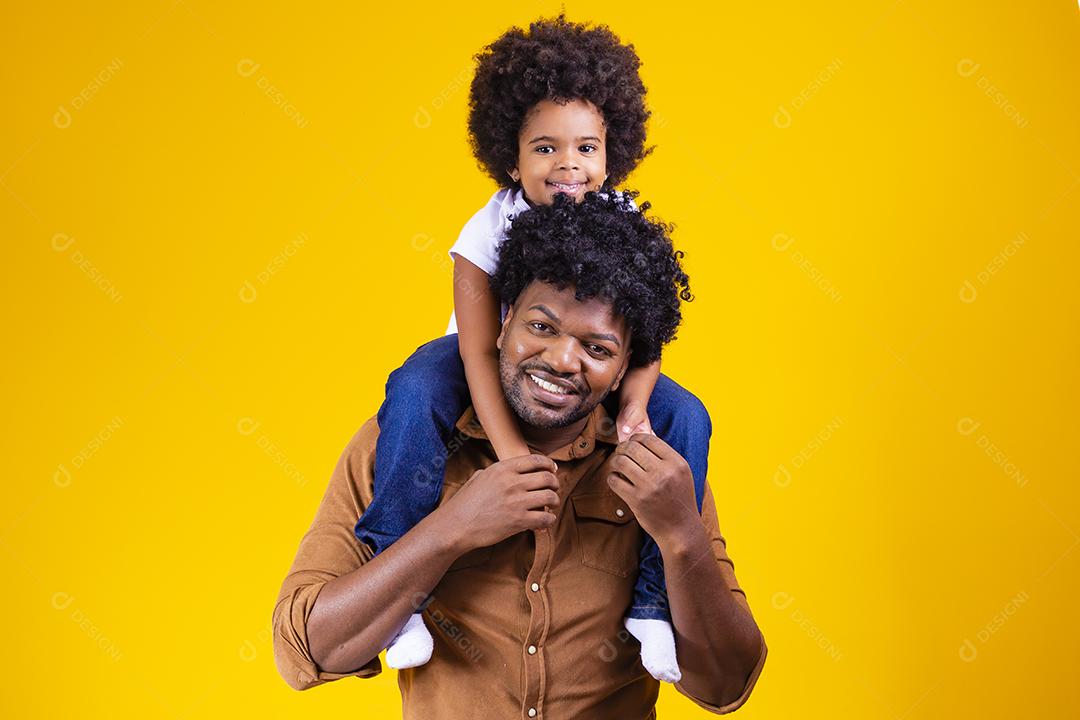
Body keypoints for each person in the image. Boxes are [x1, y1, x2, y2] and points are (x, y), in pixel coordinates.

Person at [273, 192, 767, 718]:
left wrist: (681, 536)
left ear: (626, 367)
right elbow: (306, 650)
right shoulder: (401, 443)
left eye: (597, 349)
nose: (562, 360)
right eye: (541, 327)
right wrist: (451, 528)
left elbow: (724, 685)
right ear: (503, 321)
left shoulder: (659, 471)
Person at [354, 15, 710, 682]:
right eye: (545, 148)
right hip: (485, 360)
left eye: (586, 147)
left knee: (688, 415)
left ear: (611, 155)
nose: (568, 164)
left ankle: (653, 605)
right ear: (511, 159)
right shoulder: (487, 229)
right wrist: (512, 457)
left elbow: (648, 341)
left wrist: (635, 409)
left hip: (593, 372)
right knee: (415, 385)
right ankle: (394, 576)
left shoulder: (624, 221)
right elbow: (478, 352)